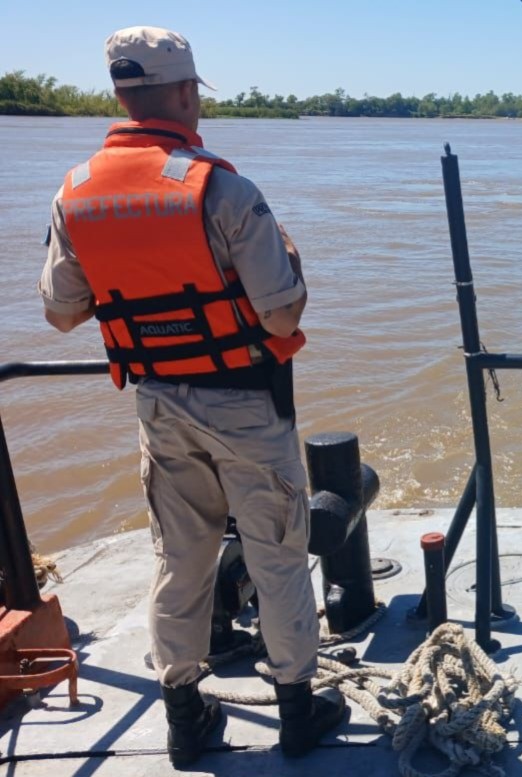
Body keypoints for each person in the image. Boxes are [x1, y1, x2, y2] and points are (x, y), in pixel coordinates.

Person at [37, 26, 345, 766]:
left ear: (120, 95)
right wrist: (289, 264)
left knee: (179, 559)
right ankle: (299, 712)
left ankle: (184, 716)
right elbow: (281, 314)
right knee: (277, 554)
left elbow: (61, 310)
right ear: (182, 94)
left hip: (157, 402)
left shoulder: (73, 194)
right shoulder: (224, 190)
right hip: (243, 398)